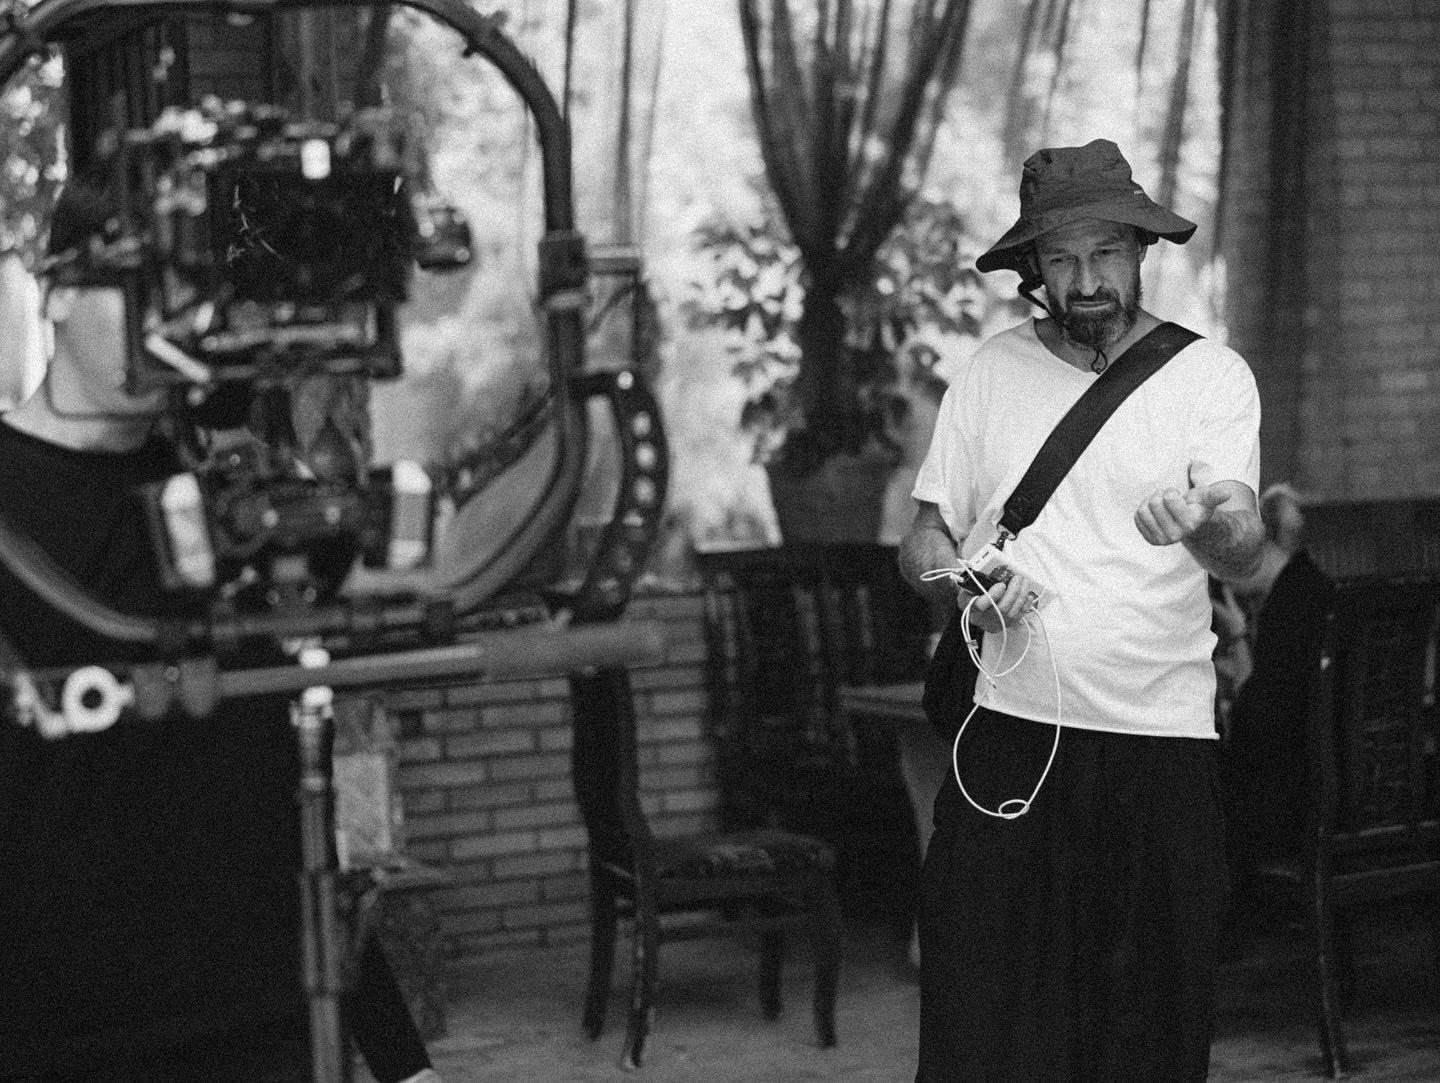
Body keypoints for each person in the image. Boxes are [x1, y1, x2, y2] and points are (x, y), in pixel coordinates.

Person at [0, 182, 441, 1082]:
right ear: (54, 290)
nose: (163, 320)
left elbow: (285, 810)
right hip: (53, 1043)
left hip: (262, 1029)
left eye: (188, 292)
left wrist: (402, 1061)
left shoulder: (245, 518)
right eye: (134, 284)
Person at [898, 138, 1264, 1083]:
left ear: (1141, 250)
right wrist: (963, 581)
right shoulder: (990, 373)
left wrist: (1202, 526)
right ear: (1033, 267)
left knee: (1147, 1036)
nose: (1087, 279)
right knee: (982, 1029)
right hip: (1008, 737)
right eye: (1061, 258)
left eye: (1105, 252)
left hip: (1160, 744)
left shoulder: (1211, 377)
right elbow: (925, 537)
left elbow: (1245, 540)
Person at [1220, 483, 1334, 906]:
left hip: (1299, 803)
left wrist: (1236, 636)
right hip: (1340, 786)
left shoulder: (1290, 603)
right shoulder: (1318, 587)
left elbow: (1257, 715)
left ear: (1261, 542)